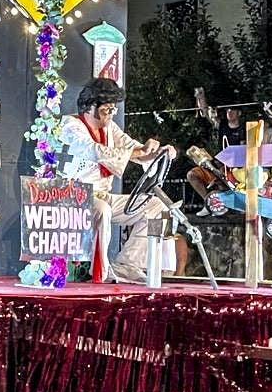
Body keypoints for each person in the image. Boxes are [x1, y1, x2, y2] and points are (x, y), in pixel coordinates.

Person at [60, 78, 185, 284]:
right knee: (102, 209)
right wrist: (138, 151)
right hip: (75, 195)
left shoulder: (110, 128)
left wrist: (159, 152)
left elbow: (134, 150)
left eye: (113, 110)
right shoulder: (71, 125)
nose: (110, 115)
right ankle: (100, 271)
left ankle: (127, 264)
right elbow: (94, 151)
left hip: (103, 196)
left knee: (157, 206)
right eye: (107, 110)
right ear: (91, 106)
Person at [185, 104, 247, 214]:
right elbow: (208, 115)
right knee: (192, 175)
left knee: (223, 181)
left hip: (233, 168)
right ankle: (208, 203)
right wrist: (201, 98)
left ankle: (229, 204)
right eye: (228, 109)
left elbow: (242, 152)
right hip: (217, 164)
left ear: (239, 113)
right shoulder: (222, 125)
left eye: (232, 110)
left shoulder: (243, 128)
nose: (229, 112)